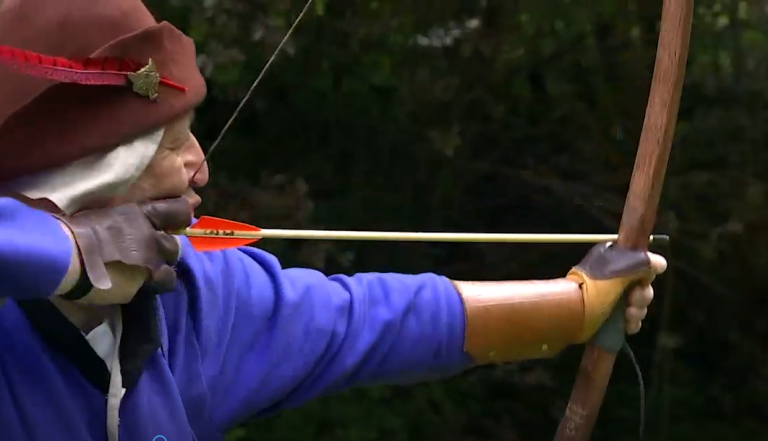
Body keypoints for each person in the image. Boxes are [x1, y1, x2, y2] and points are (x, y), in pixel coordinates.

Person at [0, 0, 667, 440]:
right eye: (168, 146)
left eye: (191, 135)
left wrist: (577, 304)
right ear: (86, 181)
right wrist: (62, 250)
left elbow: (369, 318)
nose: (198, 167)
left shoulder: (193, 302)